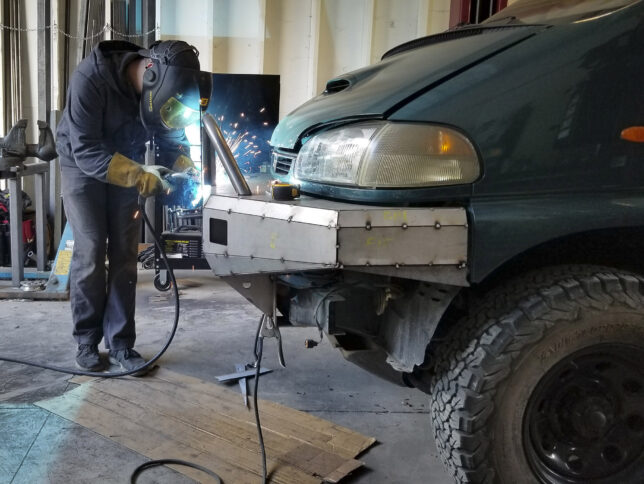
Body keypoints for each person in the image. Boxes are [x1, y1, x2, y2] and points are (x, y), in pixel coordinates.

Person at [56, 39, 207, 374]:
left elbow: (172, 134)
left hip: (128, 161)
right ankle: (86, 340)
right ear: (151, 74)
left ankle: (122, 344)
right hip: (81, 164)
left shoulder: (160, 92)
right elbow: (86, 149)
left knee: (125, 253)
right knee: (92, 249)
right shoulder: (90, 78)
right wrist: (139, 176)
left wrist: (187, 168)